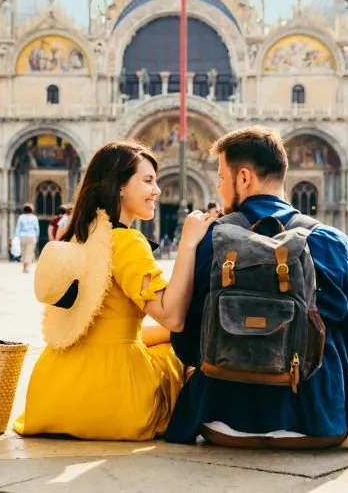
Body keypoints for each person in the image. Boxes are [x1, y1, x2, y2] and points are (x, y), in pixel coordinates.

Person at [165, 126, 348, 451]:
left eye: (220, 178)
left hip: (221, 424)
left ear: (243, 178)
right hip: (319, 427)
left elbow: (187, 348)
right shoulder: (333, 241)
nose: (217, 188)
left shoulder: (208, 241)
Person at [14, 140, 216, 440]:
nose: (157, 190)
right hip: (115, 400)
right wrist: (188, 243)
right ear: (120, 186)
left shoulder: (79, 238)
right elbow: (172, 317)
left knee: (162, 339)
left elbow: (107, 326)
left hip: (51, 396)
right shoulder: (126, 242)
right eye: (148, 180)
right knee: (178, 353)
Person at [15, 204, 40, 273]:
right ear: (31, 210)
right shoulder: (34, 217)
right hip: (31, 236)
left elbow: (18, 227)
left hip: (22, 236)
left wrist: (17, 237)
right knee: (29, 252)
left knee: (23, 252)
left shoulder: (21, 217)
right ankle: (26, 268)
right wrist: (37, 237)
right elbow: (37, 228)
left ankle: (24, 267)